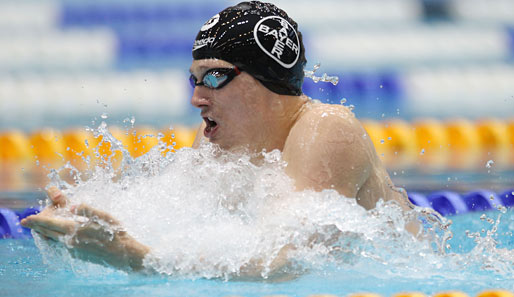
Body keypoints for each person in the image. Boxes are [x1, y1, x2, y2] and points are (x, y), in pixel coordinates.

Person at [21, 1, 415, 276]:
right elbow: (183, 227)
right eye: (194, 79)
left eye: (213, 77)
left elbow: (290, 264)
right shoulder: (225, 143)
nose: (196, 98)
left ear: (265, 80)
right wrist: (96, 229)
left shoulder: (327, 129)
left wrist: (131, 256)